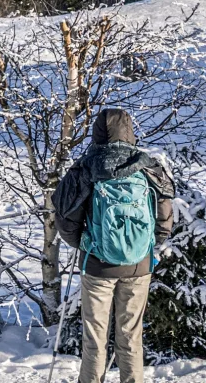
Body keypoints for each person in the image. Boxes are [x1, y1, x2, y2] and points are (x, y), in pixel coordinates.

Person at [52, 108, 174, 383]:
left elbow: (65, 217)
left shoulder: (86, 168)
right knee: (131, 336)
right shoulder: (148, 167)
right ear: (130, 132)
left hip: (97, 266)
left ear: (97, 133)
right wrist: (146, 246)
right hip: (139, 267)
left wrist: (83, 244)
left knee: (94, 338)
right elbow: (164, 219)